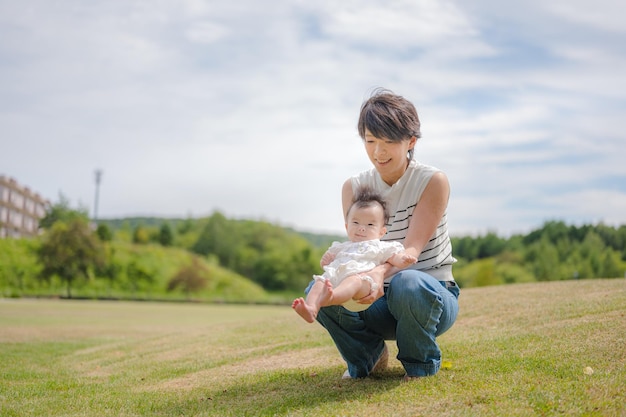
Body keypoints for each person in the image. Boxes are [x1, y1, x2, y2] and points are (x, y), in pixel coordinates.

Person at [308, 88, 460, 381]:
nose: (379, 152)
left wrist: (379, 273)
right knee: (319, 290)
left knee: (408, 281)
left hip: (429, 297)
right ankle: (368, 357)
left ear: (411, 141)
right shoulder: (353, 188)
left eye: (390, 141)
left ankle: (420, 365)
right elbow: (359, 252)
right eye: (371, 140)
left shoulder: (432, 181)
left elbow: (411, 251)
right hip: (376, 300)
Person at [292, 186, 417, 323]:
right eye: (356, 222)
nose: (361, 228)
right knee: (320, 282)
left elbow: (395, 258)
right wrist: (326, 261)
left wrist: (403, 258)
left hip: (363, 286)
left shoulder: (380, 246)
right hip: (337, 280)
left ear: (381, 232)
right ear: (347, 226)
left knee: (354, 280)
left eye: (370, 224)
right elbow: (325, 265)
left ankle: (331, 298)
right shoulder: (341, 247)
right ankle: (311, 309)